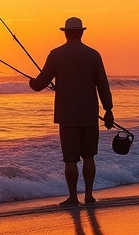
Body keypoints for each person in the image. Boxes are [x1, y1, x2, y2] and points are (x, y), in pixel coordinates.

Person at [29, 16, 114, 206]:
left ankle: (74, 197)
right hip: (89, 115)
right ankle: (89, 195)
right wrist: (108, 110)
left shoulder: (56, 54)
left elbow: (40, 83)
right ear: (82, 32)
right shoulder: (93, 55)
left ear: (66, 33)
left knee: (70, 160)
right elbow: (103, 85)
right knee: (89, 156)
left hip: (67, 116)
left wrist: (31, 83)